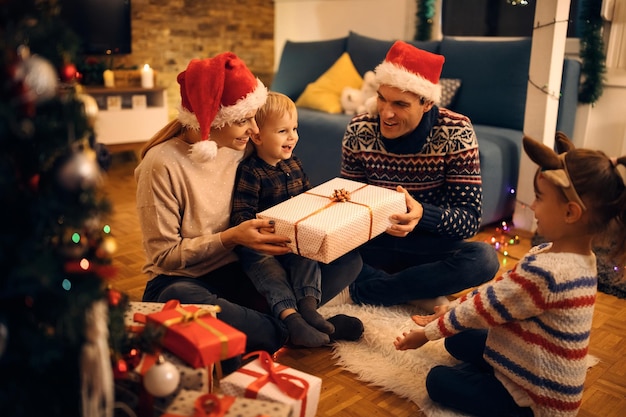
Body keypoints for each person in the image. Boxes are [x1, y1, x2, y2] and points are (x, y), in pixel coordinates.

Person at [134, 54, 363, 364]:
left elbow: (288, 173)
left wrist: (328, 201)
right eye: (243, 119)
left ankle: (284, 321)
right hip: (188, 279)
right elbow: (164, 257)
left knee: (347, 260)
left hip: (244, 269)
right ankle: (287, 328)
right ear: (213, 118)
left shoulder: (243, 144)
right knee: (182, 299)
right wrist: (231, 238)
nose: (254, 128)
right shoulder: (161, 165)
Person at [393, 133, 626, 417]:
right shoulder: (577, 258)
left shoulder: (547, 273)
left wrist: (426, 334)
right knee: (457, 338)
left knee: (438, 380)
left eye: (540, 198)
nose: (533, 206)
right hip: (529, 365)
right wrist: (452, 311)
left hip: (534, 402)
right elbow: (501, 295)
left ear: (570, 212)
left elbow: (484, 307)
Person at [338, 40, 500, 308]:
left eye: (400, 104)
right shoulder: (359, 129)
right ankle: (416, 289)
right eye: (381, 98)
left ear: (426, 103)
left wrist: (423, 214)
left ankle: (370, 290)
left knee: (484, 259)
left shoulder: (456, 131)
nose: (386, 113)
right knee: (318, 251)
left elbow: (469, 220)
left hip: (429, 247)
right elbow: (349, 207)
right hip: (374, 242)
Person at [230, 92, 362, 347]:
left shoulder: (295, 165)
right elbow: (241, 214)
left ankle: (309, 308)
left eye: (295, 129)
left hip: (294, 241)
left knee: (308, 258)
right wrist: (261, 231)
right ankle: (291, 319)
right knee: (269, 272)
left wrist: (327, 203)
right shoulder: (251, 171)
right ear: (257, 136)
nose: (293, 136)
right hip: (262, 246)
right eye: (283, 131)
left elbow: (307, 200)